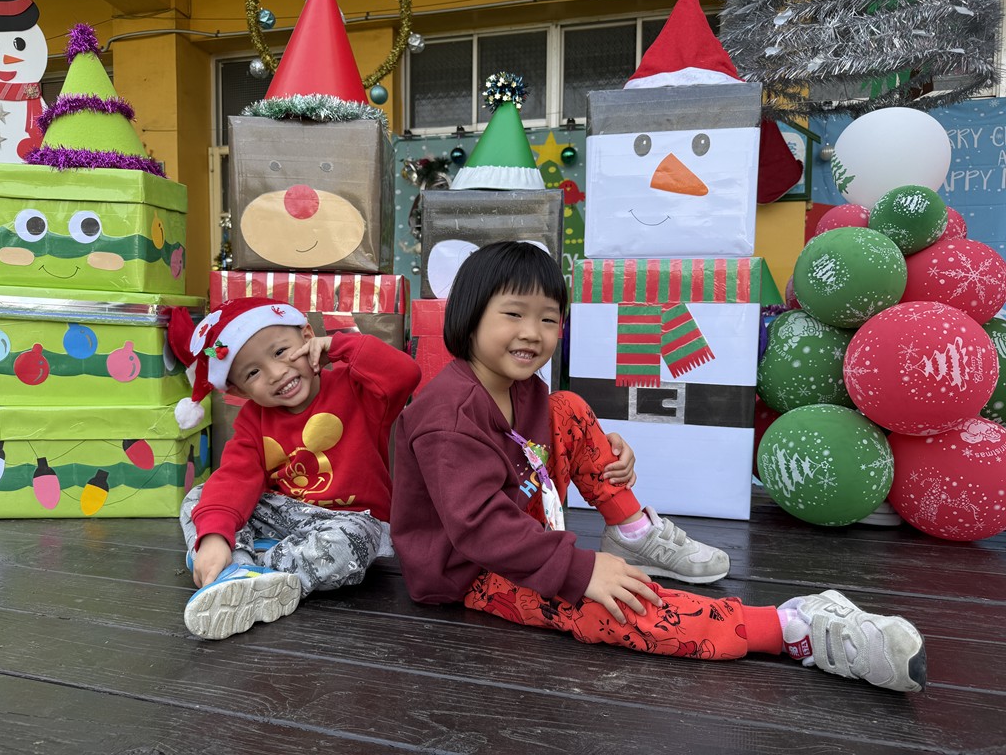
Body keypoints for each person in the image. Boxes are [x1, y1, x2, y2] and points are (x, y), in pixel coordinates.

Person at [390, 241, 926, 693]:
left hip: (523, 531)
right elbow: (479, 526)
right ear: (469, 315)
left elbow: (529, 452)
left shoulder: (523, 388)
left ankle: (632, 532)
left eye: (549, 319)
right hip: (472, 570)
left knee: (568, 408)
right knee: (612, 606)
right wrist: (580, 569)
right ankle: (792, 629)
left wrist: (599, 451)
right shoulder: (448, 419)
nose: (533, 332)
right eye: (514, 314)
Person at [166, 296, 421, 640]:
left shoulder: (357, 388)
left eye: (281, 351)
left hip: (355, 521)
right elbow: (234, 478)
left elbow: (406, 373)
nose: (277, 373)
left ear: (308, 337)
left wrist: (339, 347)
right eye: (253, 373)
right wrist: (213, 536)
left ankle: (248, 570)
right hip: (287, 518)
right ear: (240, 389)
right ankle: (231, 564)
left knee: (345, 545)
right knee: (201, 499)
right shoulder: (252, 420)